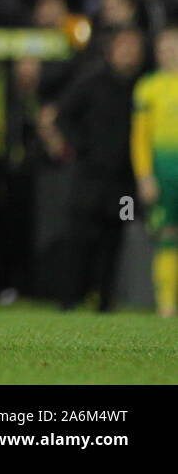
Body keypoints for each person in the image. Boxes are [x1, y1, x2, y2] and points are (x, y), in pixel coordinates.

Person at [53, 27, 144, 311]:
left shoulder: (142, 88)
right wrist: (82, 147)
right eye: (123, 47)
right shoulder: (92, 82)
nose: (128, 54)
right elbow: (63, 116)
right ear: (111, 50)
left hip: (124, 182)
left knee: (114, 240)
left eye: (134, 48)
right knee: (79, 240)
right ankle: (68, 302)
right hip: (90, 178)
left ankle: (105, 304)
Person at [132, 28, 178, 317]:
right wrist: (145, 175)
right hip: (163, 171)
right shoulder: (147, 88)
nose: (168, 53)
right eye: (164, 48)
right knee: (167, 235)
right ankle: (166, 305)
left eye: (173, 47)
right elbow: (139, 138)